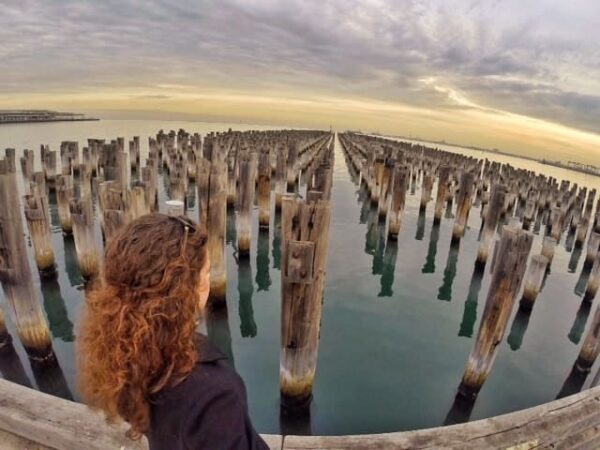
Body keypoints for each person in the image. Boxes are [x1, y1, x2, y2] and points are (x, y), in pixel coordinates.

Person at [78, 213, 269, 450]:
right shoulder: (216, 394)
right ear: (187, 290)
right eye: (207, 272)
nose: (211, 279)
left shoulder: (124, 353)